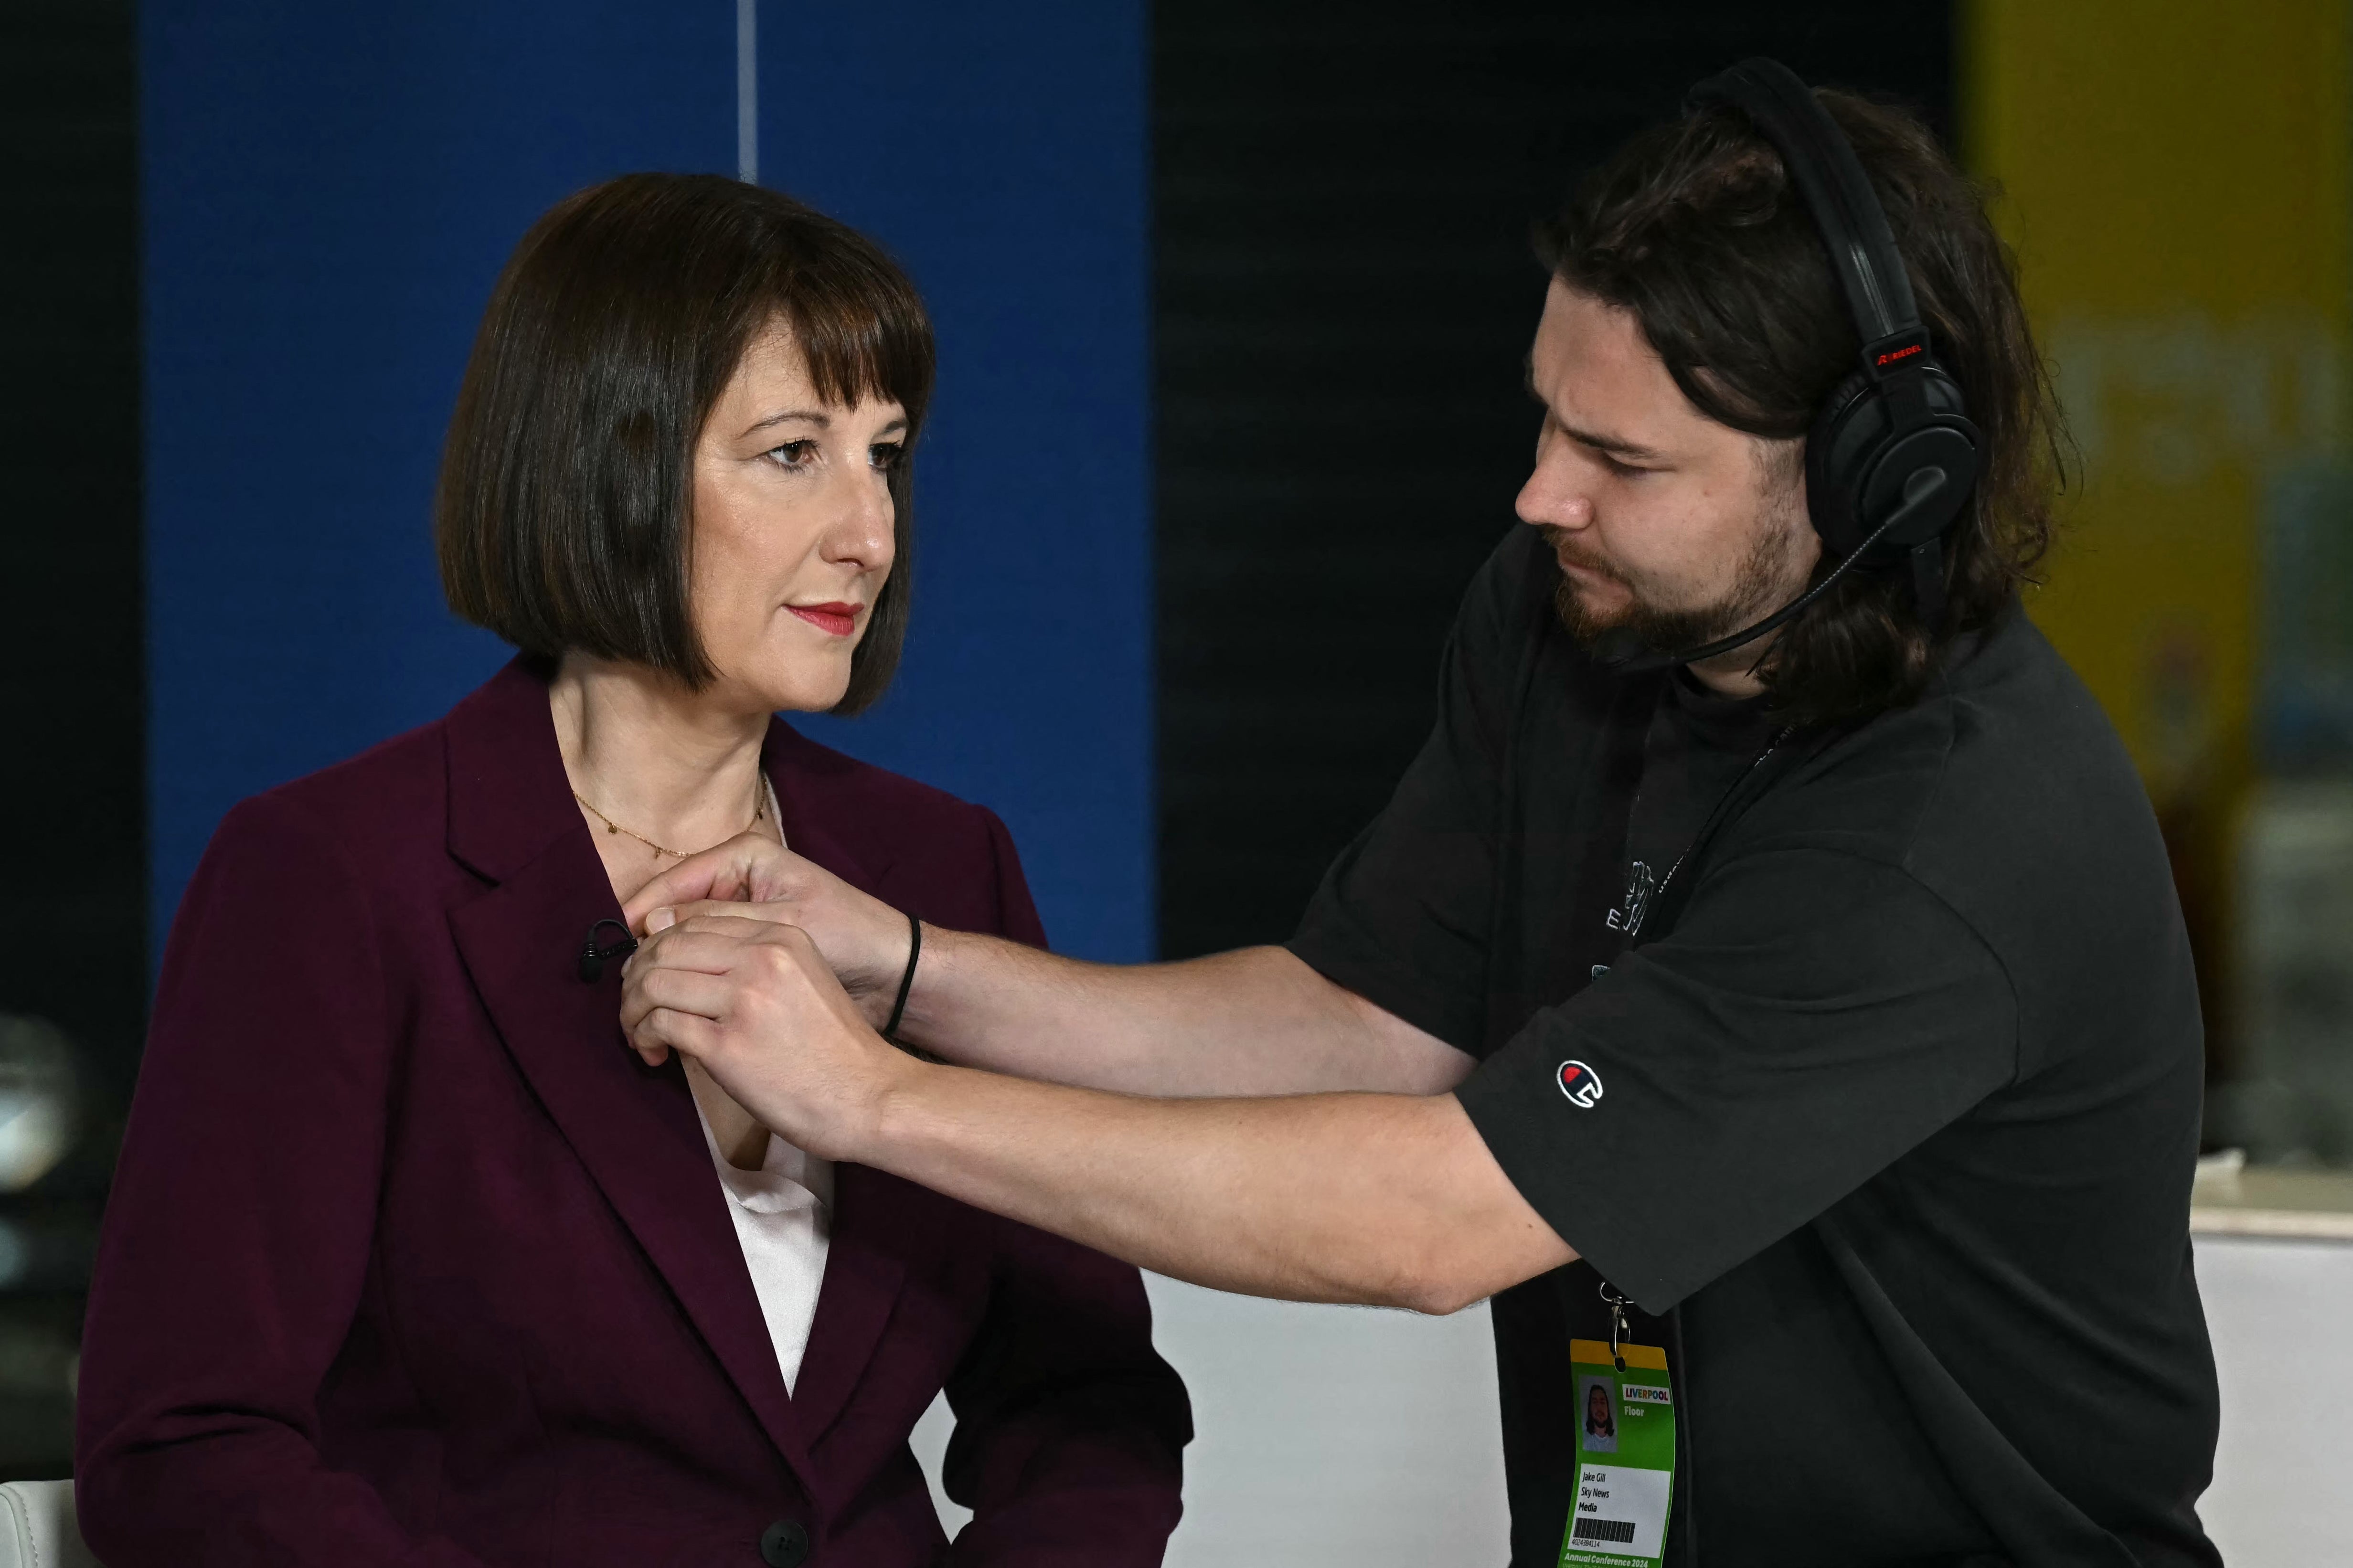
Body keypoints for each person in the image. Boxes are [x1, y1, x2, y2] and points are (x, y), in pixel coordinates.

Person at [614, 66, 2221, 1568]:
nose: (1542, 493)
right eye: (1547, 417)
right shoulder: (1576, 617)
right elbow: (1368, 1024)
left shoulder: (1945, 836)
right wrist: (900, 964)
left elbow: (1436, 1217)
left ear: (1870, 484)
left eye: (1620, 458)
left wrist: (873, 1101)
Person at [75, 173, 1189, 1568]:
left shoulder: (942, 869)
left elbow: (1086, 1407)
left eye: (885, 455)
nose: (872, 532)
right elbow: (183, 1451)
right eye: (795, 453)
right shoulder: (329, 879)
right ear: (613, 458)